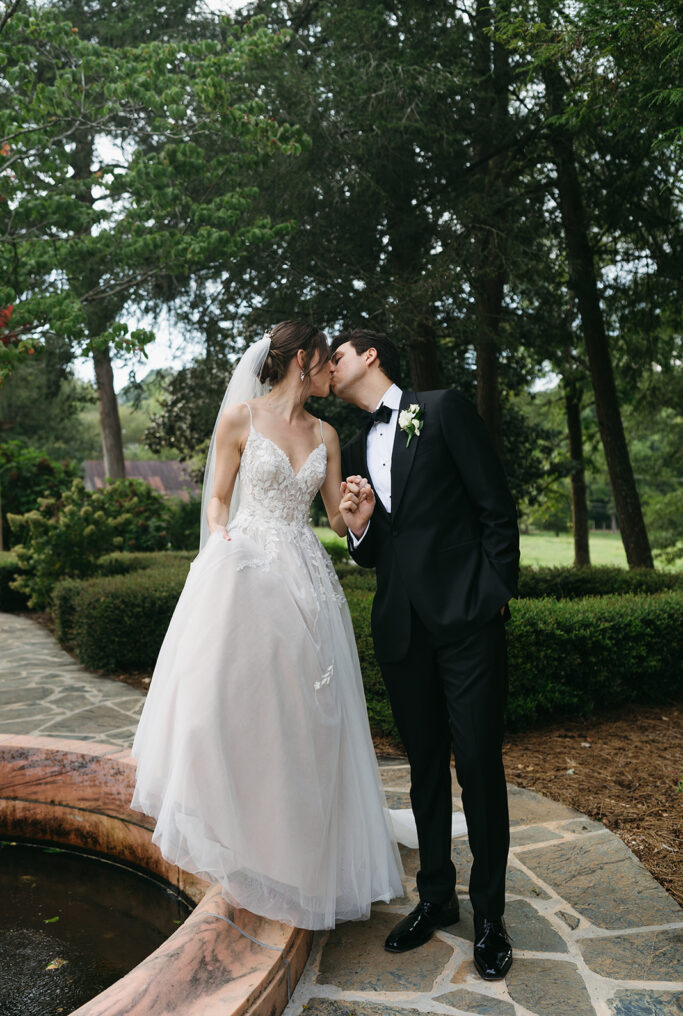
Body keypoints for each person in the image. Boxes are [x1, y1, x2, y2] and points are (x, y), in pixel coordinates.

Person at [130, 321, 403, 931]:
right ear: (301, 360)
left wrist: (354, 509)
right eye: (323, 356)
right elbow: (218, 497)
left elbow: (333, 517)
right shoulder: (241, 420)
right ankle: (241, 836)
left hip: (306, 581)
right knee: (225, 711)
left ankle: (297, 854)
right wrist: (222, 535)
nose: (331, 366)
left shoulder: (328, 434)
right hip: (248, 575)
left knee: (306, 718)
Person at [330, 329, 519, 979]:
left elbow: (495, 505)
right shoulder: (354, 447)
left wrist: (492, 595)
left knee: (476, 764)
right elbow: (379, 547)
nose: (330, 365)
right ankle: (435, 897)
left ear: (371, 355)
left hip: (467, 624)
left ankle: (489, 915)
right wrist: (357, 527)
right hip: (401, 631)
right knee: (424, 772)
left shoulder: (440, 410)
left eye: (338, 355)